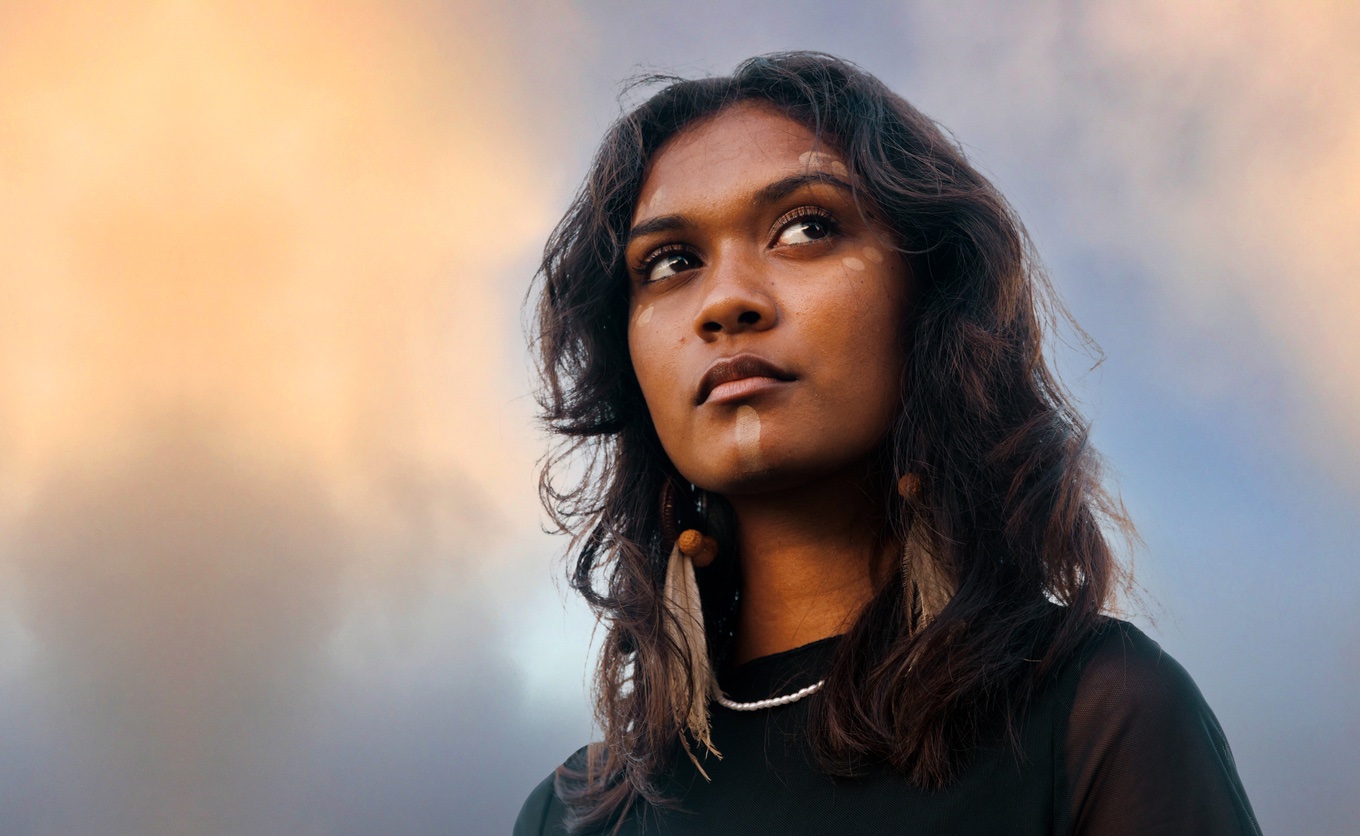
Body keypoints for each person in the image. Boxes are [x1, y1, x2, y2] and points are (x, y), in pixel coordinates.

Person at [517, 52, 1261, 835]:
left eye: (806, 228)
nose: (727, 300)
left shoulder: (1095, 715)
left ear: (928, 297)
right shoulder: (569, 814)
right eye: (671, 262)